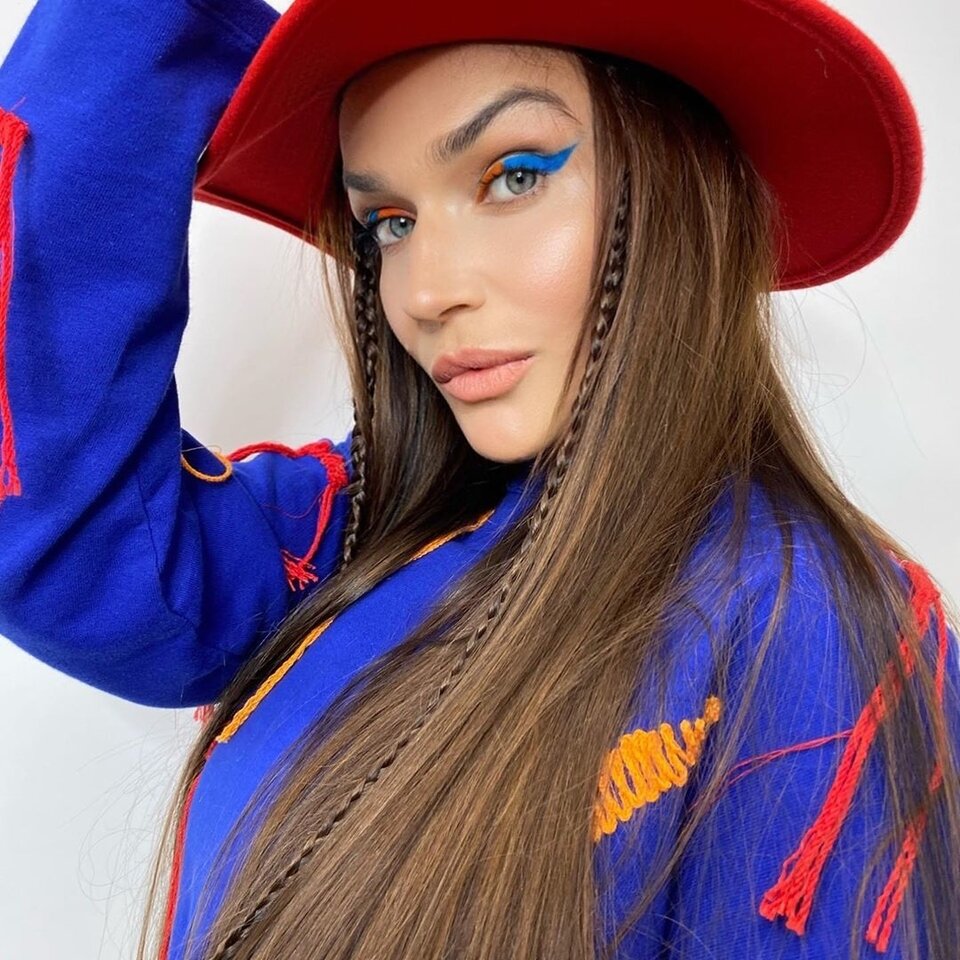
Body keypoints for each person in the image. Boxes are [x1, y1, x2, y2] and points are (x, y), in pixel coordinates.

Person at [0, 0, 957, 958]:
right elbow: (58, 531)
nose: (426, 291)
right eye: (390, 222)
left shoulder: (802, 620)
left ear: (680, 184)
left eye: (513, 176)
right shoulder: (356, 533)